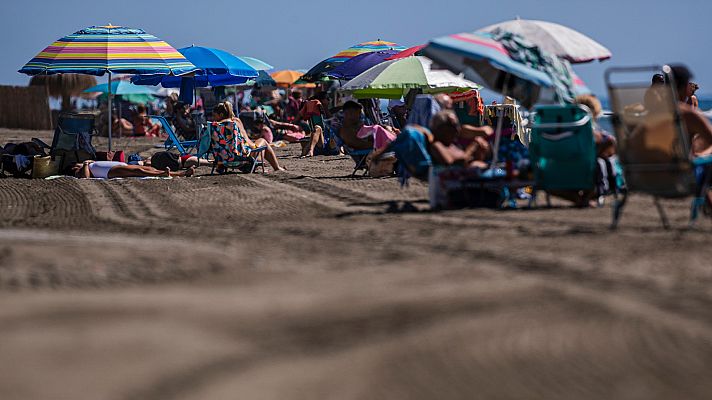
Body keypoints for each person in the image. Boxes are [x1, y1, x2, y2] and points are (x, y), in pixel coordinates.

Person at [211, 102, 285, 172]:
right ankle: (276, 167)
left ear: (221, 115)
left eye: (214, 115)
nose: (213, 118)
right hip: (242, 160)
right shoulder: (235, 122)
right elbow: (249, 144)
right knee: (263, 141)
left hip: (223, 161)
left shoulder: (213, 127)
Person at [69, 160, 194, 179]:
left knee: (148, 167)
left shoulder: (89, 163)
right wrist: (85, 164)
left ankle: (181, 173)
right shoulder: (78, 170)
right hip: (109, 172)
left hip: (118, 165)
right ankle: (163, 174)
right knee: (138, 172)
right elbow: (85, 178)